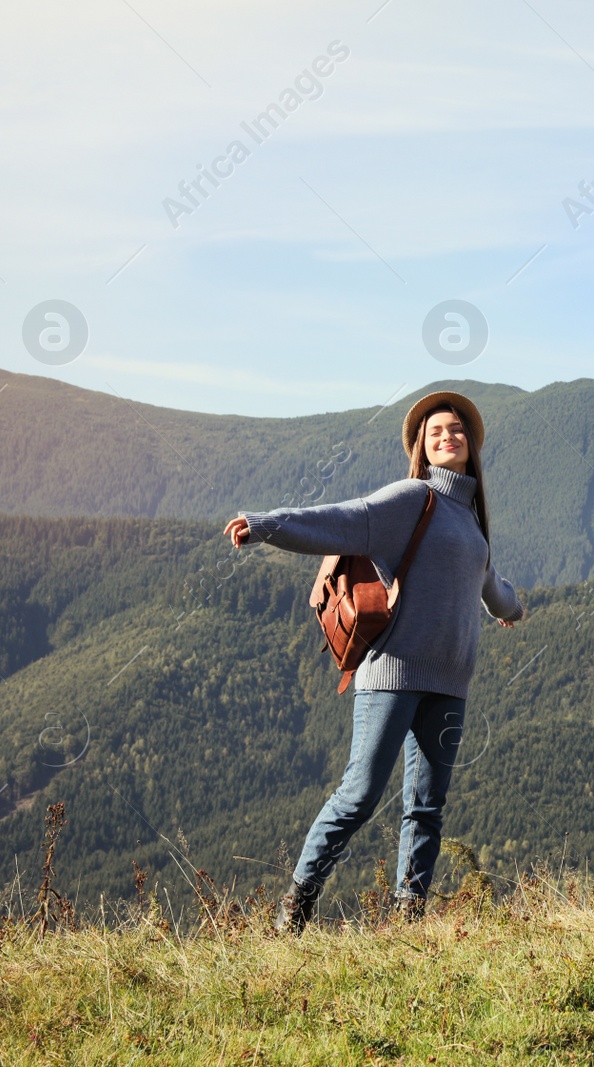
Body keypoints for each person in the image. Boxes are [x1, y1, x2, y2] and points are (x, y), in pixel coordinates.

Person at [223, 391, 525, 934]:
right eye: (436, 431)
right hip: (392, 674)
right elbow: (345, 520)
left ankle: (406, 919)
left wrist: (513, 609)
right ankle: (295, 907)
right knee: (360, 796)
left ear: (471, 444)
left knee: (427, 808)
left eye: (456, 430)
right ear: (421, 446)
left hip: (450, 685)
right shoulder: (414, 498)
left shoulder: (473, 522)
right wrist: (267, 524)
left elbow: (488, 583)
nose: (447, 437)